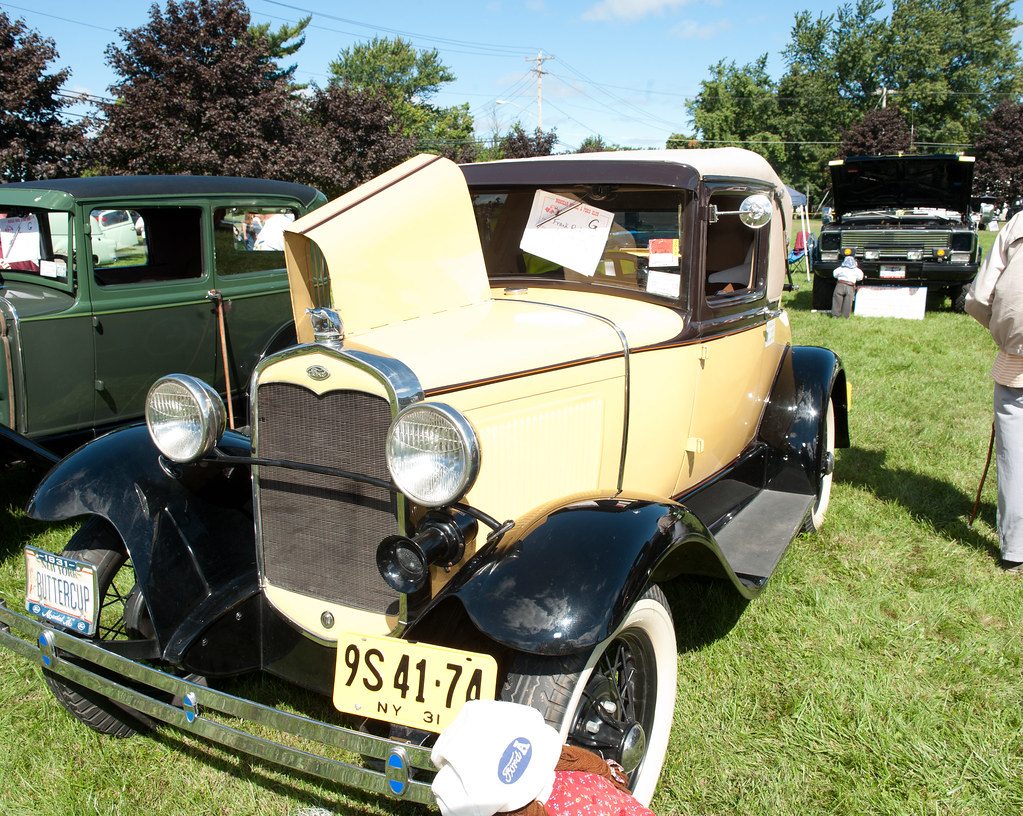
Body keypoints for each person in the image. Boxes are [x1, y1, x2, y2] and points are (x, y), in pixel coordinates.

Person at [966, 212, 1023, 571]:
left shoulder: (1017, 224)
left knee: (1015, 458)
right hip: (1015, 361)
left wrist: (1006, 336)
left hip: (1016, 360)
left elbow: (977, 298)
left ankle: (1016, 549)